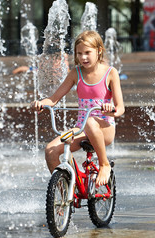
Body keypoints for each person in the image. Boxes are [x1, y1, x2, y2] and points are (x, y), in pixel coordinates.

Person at [31, 30, 125, 187]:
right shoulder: (76, 73)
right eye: (79, 53)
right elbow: (53, 100)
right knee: (50, 150)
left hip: (104, 128)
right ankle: (64, 195)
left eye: (88, 52)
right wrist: (40, 103)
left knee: (90, 122)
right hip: (81, 129)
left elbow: (120, 108)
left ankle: (104, 164)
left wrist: (111, 109)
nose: (83, 57)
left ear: (99, 50)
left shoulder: (110, 72)